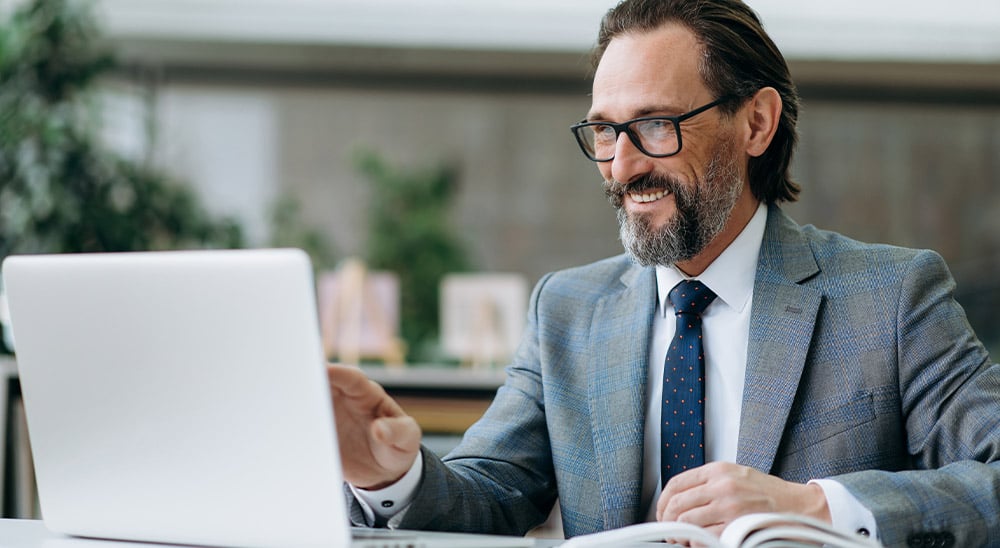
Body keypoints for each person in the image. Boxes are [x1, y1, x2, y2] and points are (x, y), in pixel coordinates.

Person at [328, 1, 1000, 546]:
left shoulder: (890, 297)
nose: (621, 167)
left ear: (757, 122)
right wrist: (392, 475)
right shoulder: (567, 309)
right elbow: (490, 494)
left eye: (655, 125)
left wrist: (813, 507)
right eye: (603, 132)